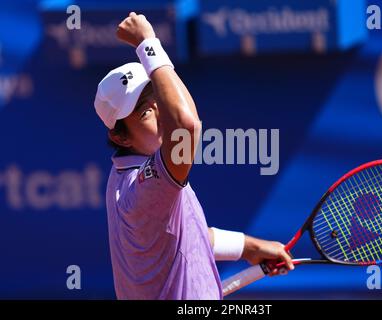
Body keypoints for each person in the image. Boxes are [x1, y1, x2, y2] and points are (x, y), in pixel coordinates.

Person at [94, 12, 294, 300]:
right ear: (120, 136)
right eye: (146, 111)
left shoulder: (131, 176)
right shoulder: (145, 189)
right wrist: (147, 43)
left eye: (158, 100)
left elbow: (188, 233)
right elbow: (187, 126)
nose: (162, 114)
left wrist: (250, 248)